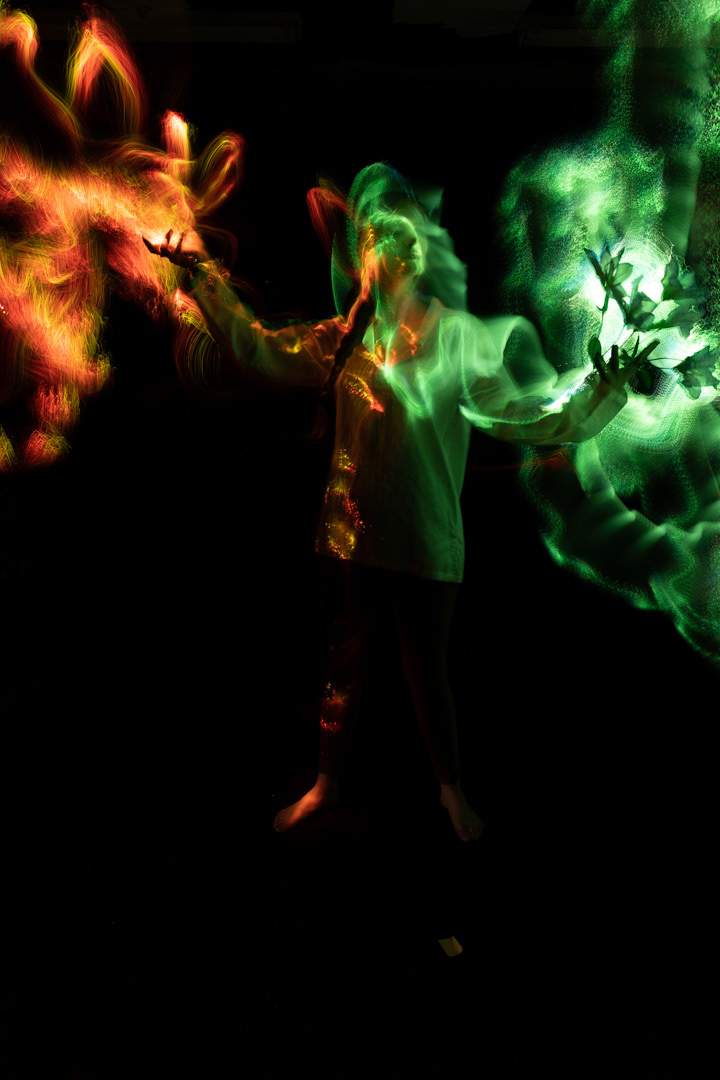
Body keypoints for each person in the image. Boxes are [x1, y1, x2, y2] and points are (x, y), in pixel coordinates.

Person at [145, 163, 644, 841]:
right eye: (382, 235)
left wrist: (601, 391)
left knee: (426, 669)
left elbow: (524, 418)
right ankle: (326, 784)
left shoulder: (459, 337)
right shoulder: (341, 340)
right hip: (348, 535)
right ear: (365, 256)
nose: (400, 245)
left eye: (409, 235)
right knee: (342, 664)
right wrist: (202, 271)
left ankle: (451, 792)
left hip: (425, 531)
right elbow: (255, 352)